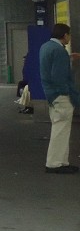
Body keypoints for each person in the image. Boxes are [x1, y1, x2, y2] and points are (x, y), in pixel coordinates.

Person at [40, 22, 80, 174]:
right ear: (65, 35)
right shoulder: (59, 51)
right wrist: (68, 93)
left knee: (61, 130)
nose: (70, 37)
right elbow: (59, 76)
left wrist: (68, 59)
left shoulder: (46, 47)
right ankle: (54, 163)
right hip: (61, 95)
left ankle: (62, 161)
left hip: (51, 95)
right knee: (60, 130)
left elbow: (51, 67)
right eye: (69, 35)